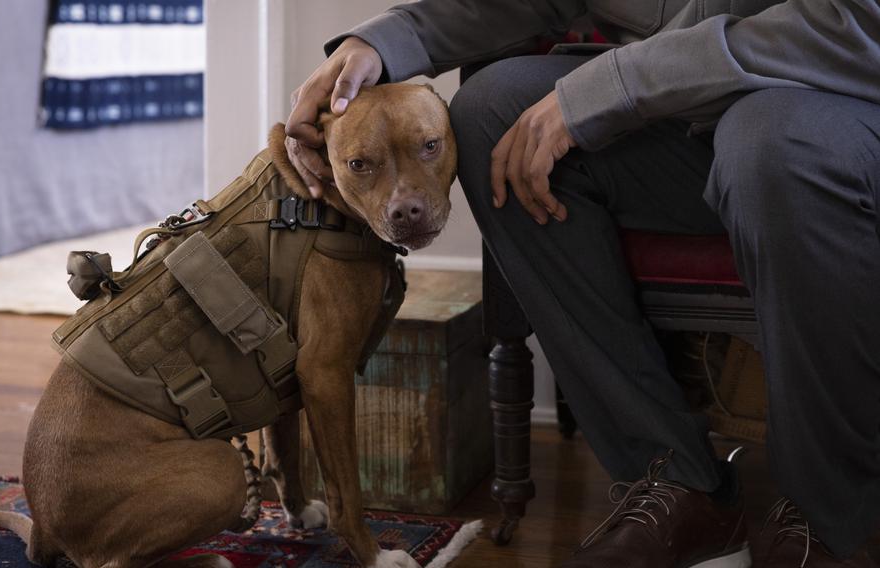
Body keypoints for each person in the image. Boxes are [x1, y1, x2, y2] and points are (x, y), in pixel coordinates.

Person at [284, 1, 880, 566]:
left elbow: (852, 25)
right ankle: (676, 482)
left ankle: (830, 520)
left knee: (766, 143)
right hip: (681, 124)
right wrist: (381, 42)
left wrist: (608, 86)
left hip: (824, 121)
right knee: (491, 114)